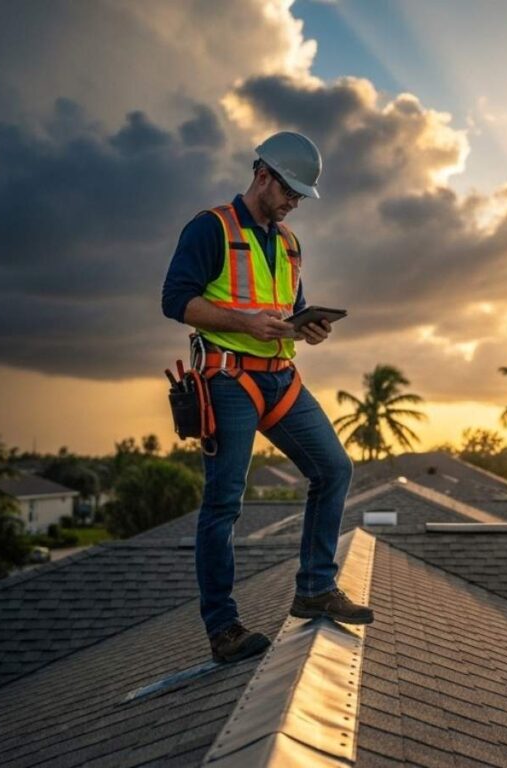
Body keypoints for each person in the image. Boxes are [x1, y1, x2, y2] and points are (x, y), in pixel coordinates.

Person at [162, 131, 373, 665]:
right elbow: (175, 300)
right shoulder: (210, 228)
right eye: (291, 192)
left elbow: (285, 313)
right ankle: (224, 629)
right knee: (224, 503)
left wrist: (307, 330)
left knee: (335, 469)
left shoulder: (289, 243)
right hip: (228, 379)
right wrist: (245, 324)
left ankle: (314, 588)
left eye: (301, 197)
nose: (294, 203)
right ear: (263, 175)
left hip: (281, 377)